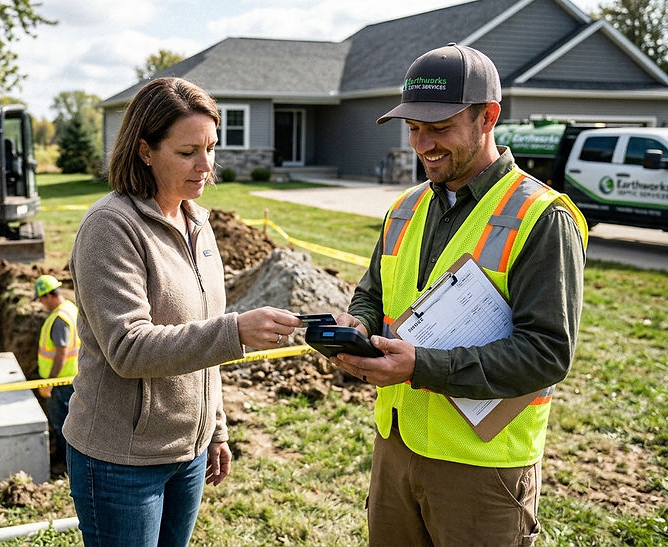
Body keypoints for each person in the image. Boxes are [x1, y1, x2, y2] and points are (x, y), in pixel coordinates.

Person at [332, 43, 588, 545]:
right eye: (413, 128)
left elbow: (547, 354)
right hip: (396, 447)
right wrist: (357, 325)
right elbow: (372, 293)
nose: (423, 144)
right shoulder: (404, 209)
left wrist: (420, 366)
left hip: (482, 468)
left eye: (440, 128)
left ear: (488, 117)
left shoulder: (543, 217)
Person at [64, 76, 302, 546]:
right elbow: (128, 349)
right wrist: (236, 331)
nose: (206, 166)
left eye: (212, 147)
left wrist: (214, 429)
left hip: (188, 456)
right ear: (144, 150)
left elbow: (199, 339)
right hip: (120, 462)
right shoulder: (110, 228)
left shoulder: (198, 222)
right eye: (188, 151)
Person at [33, 274, 79, 475]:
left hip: (61, 381)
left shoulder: (59, 319)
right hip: (72, 377)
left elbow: (61, 353)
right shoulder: (70, 308)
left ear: (49, 296)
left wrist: (50, 382)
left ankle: (65, 465)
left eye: (41, 299)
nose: (41, 304)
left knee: (61, 423)